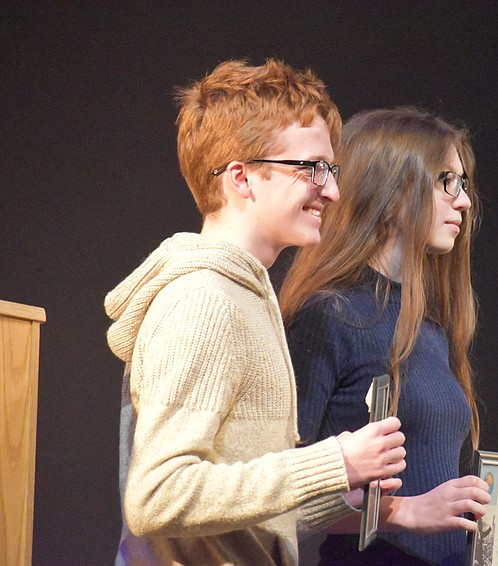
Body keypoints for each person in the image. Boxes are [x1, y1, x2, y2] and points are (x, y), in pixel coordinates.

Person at [104, 59, 407, 565]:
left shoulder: (244, 296)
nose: (331, 190)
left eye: (331, 170)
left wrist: (348, 485)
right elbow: (157, 495)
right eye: (312, 168)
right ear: (242, 179)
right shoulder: (205, 301)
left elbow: (237, 516)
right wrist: (331, 461)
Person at [280, 107, 498, 565]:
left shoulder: (431, 328)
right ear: (393, 187)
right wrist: (405, 512)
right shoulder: (329, 317)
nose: (463, 201)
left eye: (464, 186)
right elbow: (281, 495)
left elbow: (453, 496)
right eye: (446, 182)